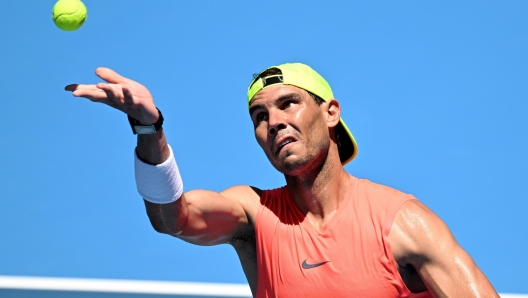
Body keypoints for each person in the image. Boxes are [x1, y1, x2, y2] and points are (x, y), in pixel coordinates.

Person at [66, 63, 498, 297]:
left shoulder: (403, 223)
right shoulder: (254, 214)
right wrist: (149, 130)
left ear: (331, 113)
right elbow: (172, 219)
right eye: (260, 116)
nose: (274, 122)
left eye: (288, 104)